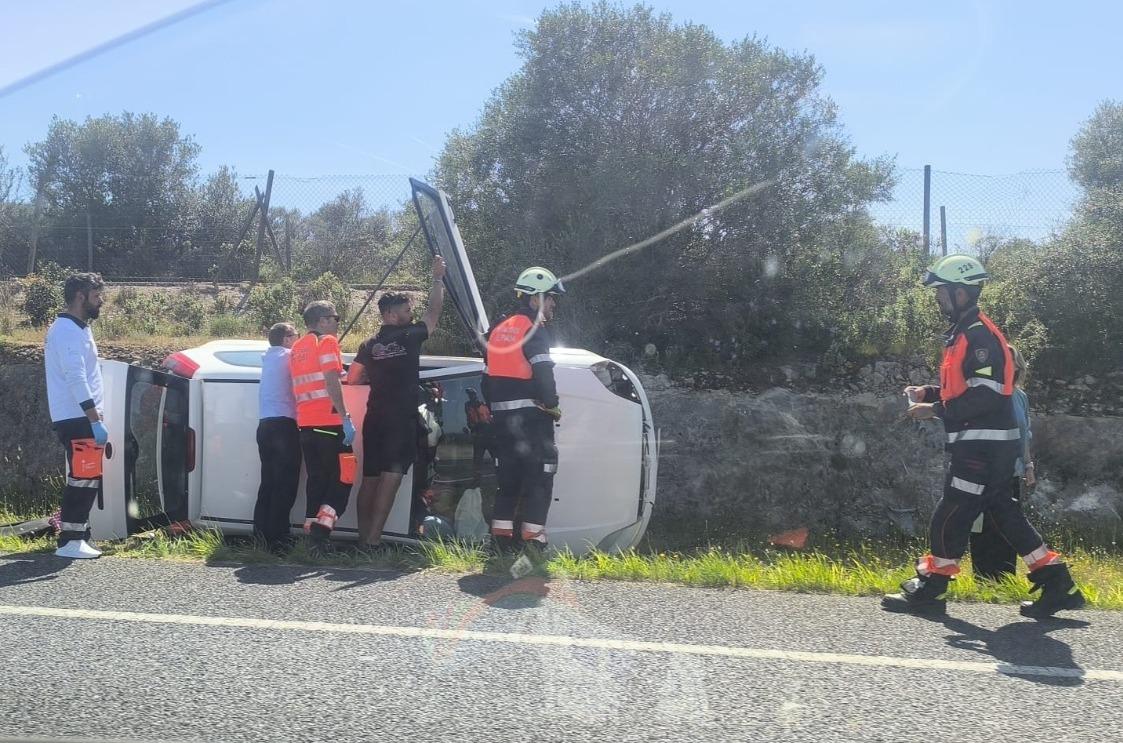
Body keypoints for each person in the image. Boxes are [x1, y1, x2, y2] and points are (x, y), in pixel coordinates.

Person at [884, 255, 1084, 618]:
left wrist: (937, 410)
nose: (938, 300)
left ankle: (932, 585)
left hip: (982, 445)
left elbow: (989, 394)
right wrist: (930, 393)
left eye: (942, 293)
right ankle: (1058, 584)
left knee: (953, 510)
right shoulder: (965, 332)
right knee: (1003, 512)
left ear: (961, 293)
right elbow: (967, 387)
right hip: (989, 443)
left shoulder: (978, 335)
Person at [347, 256, 446, 550]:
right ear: (390, 314)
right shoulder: (411, 336)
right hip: (400, 421)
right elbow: (434, 312)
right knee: (391, 480)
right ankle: (374, 542)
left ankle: (362, 538)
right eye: (406, 310)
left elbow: (352, 378)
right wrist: (437, 279)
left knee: (371, 479)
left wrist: (374, 378)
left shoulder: (368, 344)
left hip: (374, 419)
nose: (411, 314)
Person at [481, 266, 565, 563]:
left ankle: (501, 546)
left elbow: (487, 377)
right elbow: (543, 370)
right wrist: (552, 403)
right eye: (551, 298)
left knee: (508, 483)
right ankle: (533, 547)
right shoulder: (533, 329)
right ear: (535, 299)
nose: (554, 304)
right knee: (540, 480)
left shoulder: (496, 330)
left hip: (503, 424)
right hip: (532, 420)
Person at [44, 272, 108, 559]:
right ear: (80, 297)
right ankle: (70, 540)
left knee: (86, 475)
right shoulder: (67, 331)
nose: (100, 301)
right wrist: (94, 420)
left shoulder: (79, 328)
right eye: (96, 296)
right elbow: (76, 378)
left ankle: (79, 535)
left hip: (81, 417)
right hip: (78, 418)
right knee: (83, 477)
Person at [291, 301, 355, 554]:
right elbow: (330, 380)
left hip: (306, 425)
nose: (338, 322)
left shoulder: (297, 347)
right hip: (329, 423)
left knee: (316, 479)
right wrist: (345, 416)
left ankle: (312, 537)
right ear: (322, 321)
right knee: (345, 475)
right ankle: (322, 531)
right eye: (335, 317)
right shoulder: (326, 342)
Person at [969, 344, 1033, 580]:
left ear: (1017, 365)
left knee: (1008, 527)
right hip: (984, 474)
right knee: (983, 527)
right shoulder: (986, 392)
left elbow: (1025, 433)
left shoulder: (1020, 397)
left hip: (1012, 474)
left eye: (1010, 359)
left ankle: (1005, 581)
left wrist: (1028, 466)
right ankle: (983, 580)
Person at [253, 321, 301, 553]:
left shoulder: (269, 357)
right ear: (286, 339)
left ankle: (260, 535)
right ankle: (278, 538)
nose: (298, 338)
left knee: (269, 482)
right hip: (284, 425)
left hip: (265, 425)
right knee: (286, 483)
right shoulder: (288, 356)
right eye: (296, 335)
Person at [463, 387, 494, 486]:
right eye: (470, 395)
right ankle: (476, 480)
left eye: (473, 395)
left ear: (476, 395)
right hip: (478, 436)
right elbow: (470, 421)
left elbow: (489, 419)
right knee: (477, 461)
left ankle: (502, 476)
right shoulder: (468, 406)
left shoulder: (484, 405)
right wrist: (471, 428)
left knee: (496, 457)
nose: (471, 397)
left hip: (488, 435)